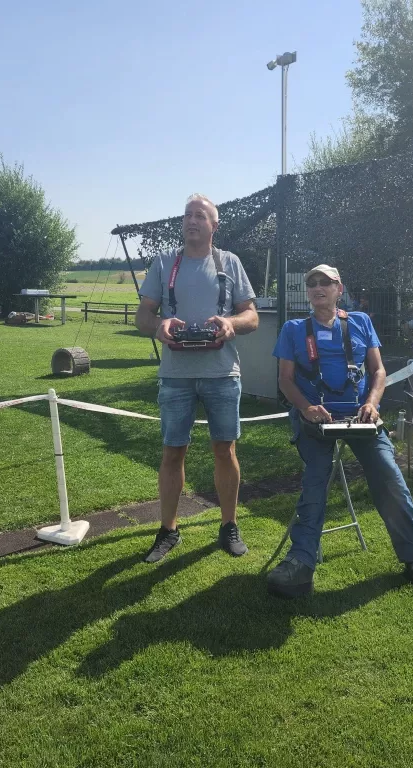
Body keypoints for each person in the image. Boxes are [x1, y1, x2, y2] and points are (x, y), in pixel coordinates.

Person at [268, 264, 413, 598]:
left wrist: (373, 404)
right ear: (307, 291)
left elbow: (377, 371)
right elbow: (285, 380)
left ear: (338, 288)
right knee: (316, 476)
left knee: (388, 473)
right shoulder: (293, 329)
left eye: (326, 282)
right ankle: (300, 563)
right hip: (315, 420)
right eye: (312, 283)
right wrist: (305, 408)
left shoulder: (360, 322)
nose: (318, 287)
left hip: (360, 419)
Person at [135, 193, 259, 562]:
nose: (192, 221)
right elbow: (142, 317)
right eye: (187, 215)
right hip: (175, 376)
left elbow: (251, 316)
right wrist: (160, 326)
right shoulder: (163, 263)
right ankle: (168, 530)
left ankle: (229, 525)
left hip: (222, 373)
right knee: (173, 451)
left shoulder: (230, 262)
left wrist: (230, 323)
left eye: (200, 216)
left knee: (226, 449)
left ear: (213, 225)